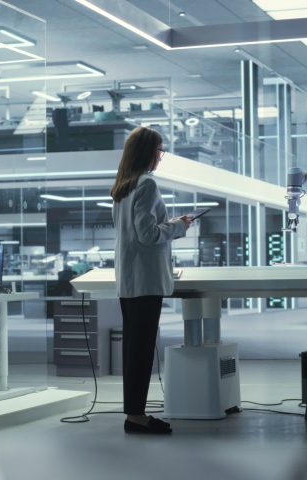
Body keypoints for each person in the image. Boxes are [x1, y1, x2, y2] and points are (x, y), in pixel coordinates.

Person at [110, 127, 192, 434]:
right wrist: (178, 225)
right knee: (141, 350)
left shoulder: (122, 188)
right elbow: (147, 236)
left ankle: (134, 413)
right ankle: (136, 417)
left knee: (134, 349)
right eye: (160, 150)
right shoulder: (147, 184)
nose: (161, 156)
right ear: (148, 152)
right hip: (145, 282)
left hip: (129, 282)